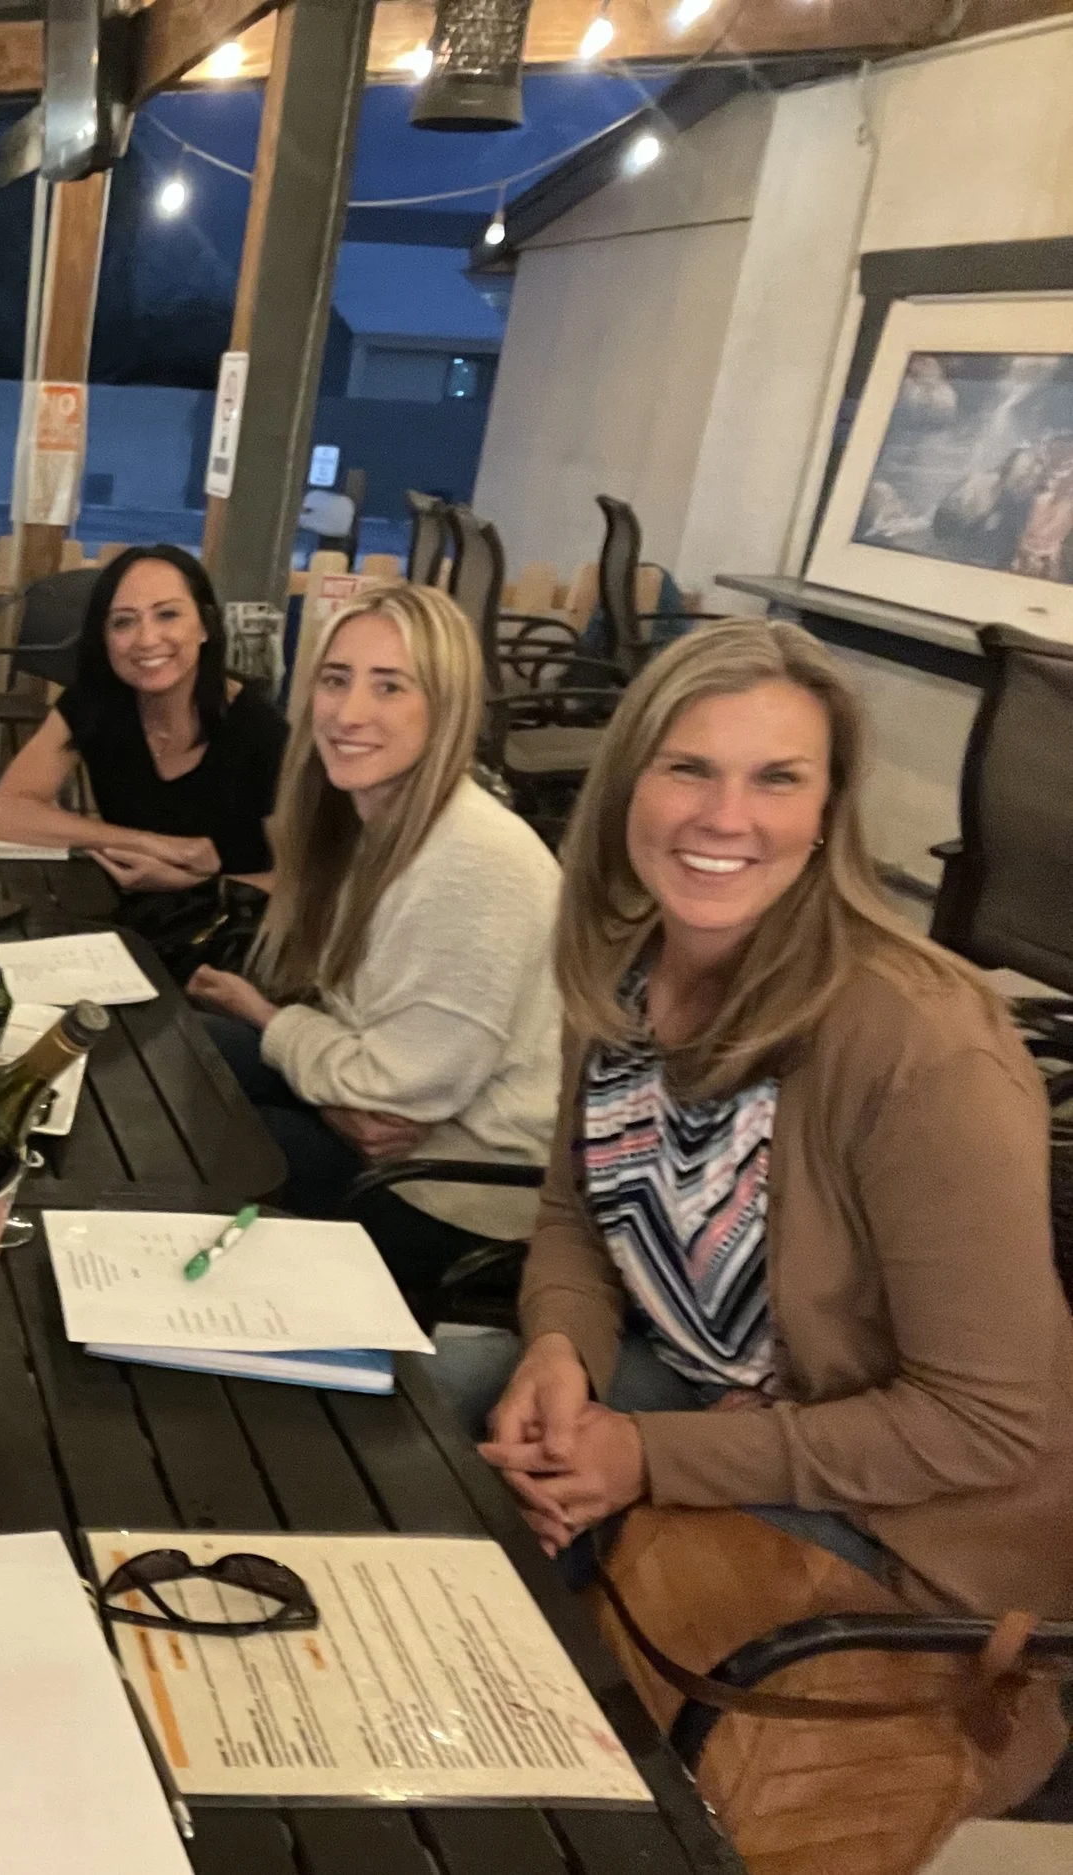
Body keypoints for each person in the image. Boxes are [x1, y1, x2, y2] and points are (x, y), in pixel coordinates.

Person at [443, 620, 1073, 1806]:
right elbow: (578, 1212)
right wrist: (560, 1355)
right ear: (630, 782)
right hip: (702, 1398)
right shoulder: (626, 969)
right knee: (429, 1418)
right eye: (689, 767)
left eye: (776, 777)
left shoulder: (920, 1043)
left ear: (828, 811)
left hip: (904, 1530)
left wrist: (643, 1456)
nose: (724, 818)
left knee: (524, 1665)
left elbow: (983, 1425)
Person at [183, 582, 561, 1314]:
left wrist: (271, 1021)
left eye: (389, 686)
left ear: (444, 707)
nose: (349, 713)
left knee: (214, 1138)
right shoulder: (372, 823)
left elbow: (385, 1099)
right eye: (335, 679)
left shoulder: (474, 862)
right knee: (194, 1051)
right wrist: (325, 1080)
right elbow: (366, 1063)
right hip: (414, 1121)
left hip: (464, 1190)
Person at [0, 543, 286, 891]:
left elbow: (308, 885)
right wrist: (150, 843)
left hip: (236, 928)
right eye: (123, 622)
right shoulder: (95, 702)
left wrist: (201, 886)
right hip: (133, 918)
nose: (146, 639)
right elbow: (5, 814)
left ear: (205, 627)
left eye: (167, 615)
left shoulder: (262, 731)